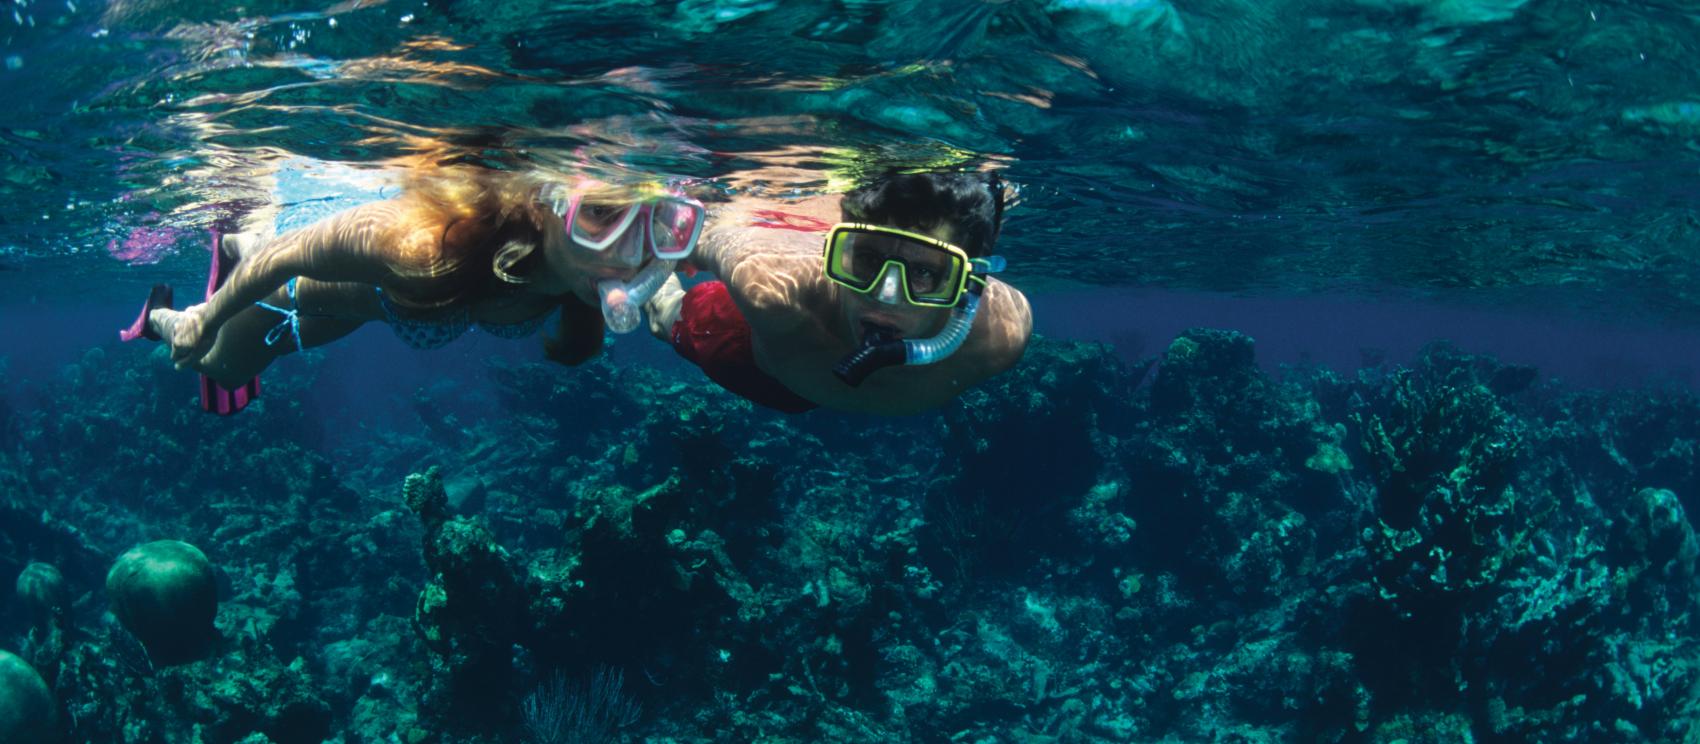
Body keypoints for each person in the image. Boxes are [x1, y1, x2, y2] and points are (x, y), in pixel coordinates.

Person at [121, 158, 703, 414]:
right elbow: (287, 255)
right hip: (301, 288)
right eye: (601, 211)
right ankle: (184, 297)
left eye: (655, 222)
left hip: (370, 311)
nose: (632, 252)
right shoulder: (423, 248)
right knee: (223, 365)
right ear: (544, 203)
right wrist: (209, 317)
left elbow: (670, 302)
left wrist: (680, 314)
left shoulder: (618, 264)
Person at [649, 170, 1031, 416]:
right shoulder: (772, 289)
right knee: (665, 316)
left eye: (924, 272)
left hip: (800, 373)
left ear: (967, 284)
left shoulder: (1001, 336)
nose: (886, 294)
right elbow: (681, 233)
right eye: (866, 258)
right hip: (757, 364)